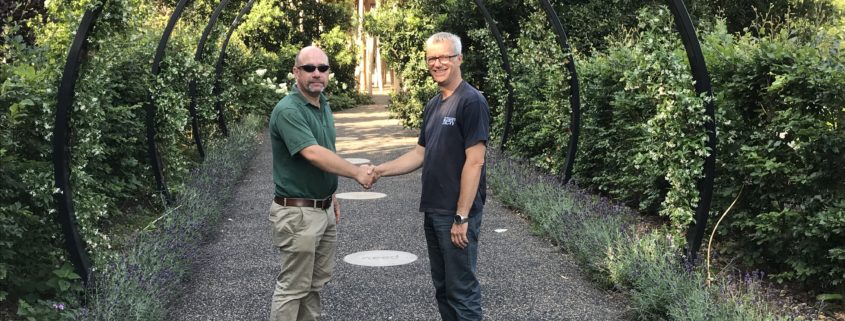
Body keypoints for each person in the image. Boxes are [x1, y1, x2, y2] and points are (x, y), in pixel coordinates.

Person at [371, 32, 490, 321]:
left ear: (459, 59)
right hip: (434, 211)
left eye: (444, 57)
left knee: (461, 291)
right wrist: (378, 171)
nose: (437, 63)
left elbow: (475, 162)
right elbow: (419, 155)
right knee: (443, 289)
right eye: (432, 58)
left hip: (456, 214)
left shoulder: (471, 102)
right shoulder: (434, 105)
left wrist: (461, 217)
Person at [268, 45, 374, 321]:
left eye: (323, 68)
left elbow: (325, 152)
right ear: (295, 72)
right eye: (309, 68)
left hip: (322, 208)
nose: (317, 74)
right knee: (293, 288)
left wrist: (330, 193)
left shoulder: (322, 104)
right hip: (298, 213)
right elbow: (312, 153)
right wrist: (356, 172)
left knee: (314, 285)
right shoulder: (288, 110)